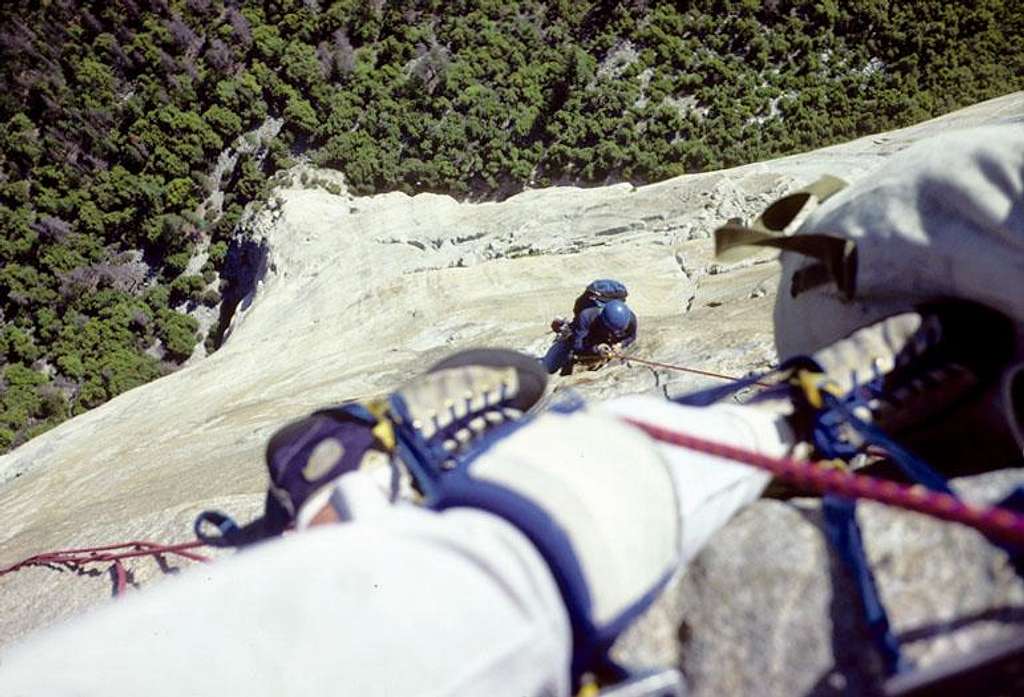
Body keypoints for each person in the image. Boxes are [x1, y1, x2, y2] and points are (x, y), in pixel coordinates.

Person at [2, 125, 1022, 697]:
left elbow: (585, 341)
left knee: (549, 453)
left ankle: (380, 505)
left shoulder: (596, 317)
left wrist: (572, 345)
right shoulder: (607, 310)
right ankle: (783, 419)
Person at [543, 279, 638, 375]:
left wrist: (620, 344)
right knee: (547, 367)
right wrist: (597, 348)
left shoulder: (631, 319)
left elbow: (631, 337)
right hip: (585, 335)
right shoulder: (587, 316)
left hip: (601, 338)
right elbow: (577, 345)